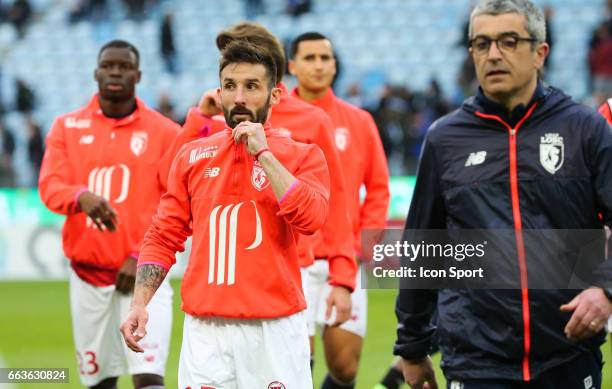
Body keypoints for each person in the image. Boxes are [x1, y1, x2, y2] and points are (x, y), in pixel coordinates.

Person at [394, 1, 612, 388]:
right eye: (482, 43)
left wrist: (605, 289)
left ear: (540, 53)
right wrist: (412, 346)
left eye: (509, 42)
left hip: (568, 354)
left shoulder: (585, 129)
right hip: (477, 363)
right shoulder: (445, 140)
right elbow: (423, 246)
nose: (493, 54)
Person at [120, 40, 330, 389]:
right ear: (220, 93)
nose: (240, 98)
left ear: (275, 96)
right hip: (206, 332)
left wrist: (264, 153)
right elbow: (163, 235)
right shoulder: (192, 155)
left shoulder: (303, 155)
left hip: (274, 329)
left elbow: (311, 218)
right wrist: (140, 303)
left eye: (252, 86)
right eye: (230, 87)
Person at [159, 22, 357, 329]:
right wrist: (199, 119)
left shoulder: (311, 119)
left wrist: (343, 274)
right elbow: (168, 181)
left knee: (301, 368)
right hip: (223, 276)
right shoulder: (218, 115)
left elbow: (337, 202)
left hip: (290, 267)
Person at [38, 40, 179, 389]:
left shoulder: (165, 132)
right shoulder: (66, 127)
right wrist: (79, 196)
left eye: (124, 66)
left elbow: (173, 204)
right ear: (96, 72)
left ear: (138, 74)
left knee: (149, 380)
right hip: (88, 277)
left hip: (147, 277)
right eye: (108, 65)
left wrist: (139, 256)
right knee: (100, 383)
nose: (115, 71)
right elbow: (49, 185)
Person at [288, 32, 391, 389]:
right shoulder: (274, 117)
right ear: (291, 65)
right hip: (289, 258)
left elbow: (378, 187)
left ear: (334, 65)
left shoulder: (358, 121)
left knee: (345, 367)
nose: (318, 65)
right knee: (293, 361)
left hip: (341, 258)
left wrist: (365, 243)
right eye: (310, 57)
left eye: (325, 58)